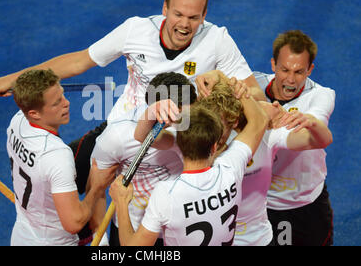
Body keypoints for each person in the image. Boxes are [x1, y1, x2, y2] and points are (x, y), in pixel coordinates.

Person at [0, 0, 266, 196]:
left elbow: (255, 94)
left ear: (204, 16)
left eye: (194, 18)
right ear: (165, 8)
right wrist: (15, 78)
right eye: (178, 14)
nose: (184, 24)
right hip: (123, 129)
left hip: (180, 143)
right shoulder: (135, 31)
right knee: (62, 179)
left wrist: (221, 78)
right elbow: (79, 61)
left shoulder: (217, 40)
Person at [109, 80, 269, 246]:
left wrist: (121, 202)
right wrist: (237, 87)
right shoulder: (231, 167)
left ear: (180, 143)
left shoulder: (165, 194)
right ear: (214, 146)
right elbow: (260, 120)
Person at [197, 78, 333, 246]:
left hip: (259, 239)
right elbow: (159, 138)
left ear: (234, 120)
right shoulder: (197, 140)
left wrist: (312, 123)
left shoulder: (267, 135)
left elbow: (322, 140)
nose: (276, 104)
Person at [6, 69, 116, 246]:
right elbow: (74, 223)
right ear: (34, 113)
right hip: (55, 242)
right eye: (56, 103)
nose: (66, 103)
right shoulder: (56, 155)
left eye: (63, 96)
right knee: (96, 177)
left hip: (23, 235)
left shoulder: (17, 121)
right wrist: (96, 188)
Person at [90, 72, 197, 246]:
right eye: (180, 117)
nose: (187, 123)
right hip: (130, 229)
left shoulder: (194, 127)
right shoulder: (117, 135)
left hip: (179, 230)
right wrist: (100, 240)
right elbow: (96, 189)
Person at [254, 30, 336, 245]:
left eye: (299, 71)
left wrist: (308, 120)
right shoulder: (254, 87)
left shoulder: (321, 95)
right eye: (284, 70)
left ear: (310, 69)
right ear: (273, 65)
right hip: (262, 206)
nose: (290, 79)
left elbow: (317, 126)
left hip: (306, 205)